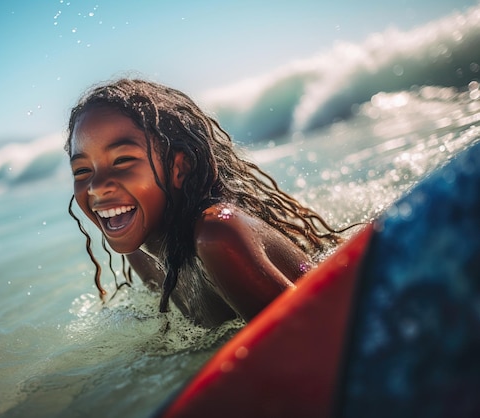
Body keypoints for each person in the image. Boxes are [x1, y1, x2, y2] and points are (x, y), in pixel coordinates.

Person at [65, 78, 347, 328]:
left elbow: (315, 337)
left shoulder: (217, 237)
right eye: (82, 171)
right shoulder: (139, 250)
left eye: (123, 160)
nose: (97, 187)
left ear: (179, 168)